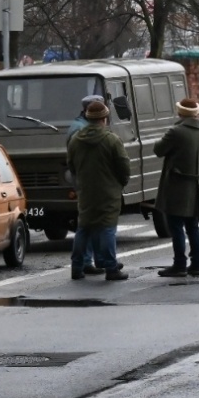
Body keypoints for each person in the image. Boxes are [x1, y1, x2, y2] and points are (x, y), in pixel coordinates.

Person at [66, 99, 131, 281]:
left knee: (84, 228)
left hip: (86, 191)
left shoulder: (76, 140)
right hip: (108, 191)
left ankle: (77, 267)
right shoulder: (111, 140)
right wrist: (120, 182)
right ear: (104, 118)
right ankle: (111, 267)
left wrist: (80, 183)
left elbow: (71, 165)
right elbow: (123, 166)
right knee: (107, 228)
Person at [154, 98, 199, 279]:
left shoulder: (176, 132)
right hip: (194, 185)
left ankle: (179, 264)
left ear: (180, 113)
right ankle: (197, 264)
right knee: (192, 226)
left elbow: (158, 150)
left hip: (176, 185)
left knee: (176, 225)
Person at [66, 94, 105, 274]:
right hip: (89, 182)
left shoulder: (80, 126)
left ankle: (91, 261)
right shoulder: (81, 130)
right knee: (88, 225)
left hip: (84, 181)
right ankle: (86, 262)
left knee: (90, 225)